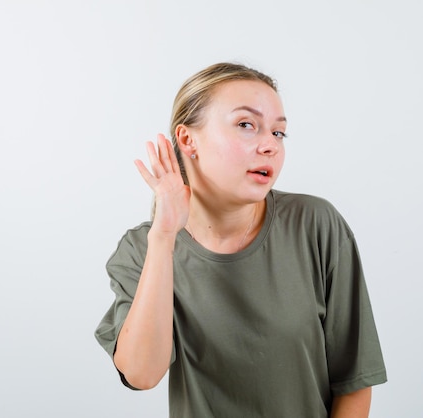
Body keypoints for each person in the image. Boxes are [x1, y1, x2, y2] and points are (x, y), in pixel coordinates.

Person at [95, 62, 387, 417]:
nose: (270, 146)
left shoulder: (315, 225)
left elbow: (354, 382)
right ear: (188, 140)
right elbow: (142, 374)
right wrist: (164, 237)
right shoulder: (142, 248)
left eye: (278, 133)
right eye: (246, 125)